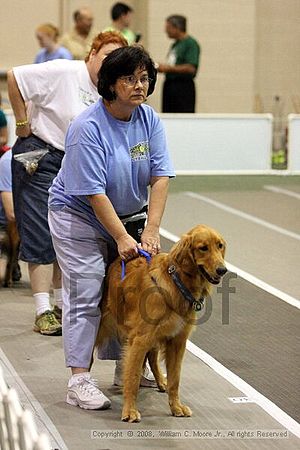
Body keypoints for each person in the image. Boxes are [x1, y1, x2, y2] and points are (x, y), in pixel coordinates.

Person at [48, 45, 175, 410]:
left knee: (134, 289)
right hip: (79, 215)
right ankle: (78, 379)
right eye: (129, 79)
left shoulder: (148, 119)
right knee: (87, 291)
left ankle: (127, 367)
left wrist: (151, 230)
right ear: (109, 84)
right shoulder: (86, 127)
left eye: (144, 79)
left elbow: (161, 175)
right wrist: (120, 237)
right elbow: (92, 192)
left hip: (130, 214)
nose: (139, 86)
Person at [7, 31, 128, 336]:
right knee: (41, 233)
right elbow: (14, 77)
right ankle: (42, 308)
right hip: (39, 154)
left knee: (69, 232)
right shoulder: (64, 71)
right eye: (105, 55)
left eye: (116, 59)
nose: (109, 63)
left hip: (73, 163)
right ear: (91, 54)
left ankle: (62, 303)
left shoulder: (108, 91)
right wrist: (21, 123)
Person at [157, 15, 201, 113]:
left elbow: (191, 68)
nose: (166, 31)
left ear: (177, 28)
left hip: (182, 87)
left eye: (168, 28)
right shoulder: (175, 44)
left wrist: (168, 69)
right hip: (170, 86)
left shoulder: (190, 44)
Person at [0, 149, 21, 285]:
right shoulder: (8, 160)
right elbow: (11, 213)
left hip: (16, 223)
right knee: (1, 276)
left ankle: (12, 264)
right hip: (4, 223)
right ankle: (10, 264)